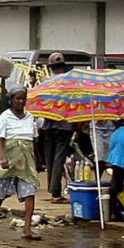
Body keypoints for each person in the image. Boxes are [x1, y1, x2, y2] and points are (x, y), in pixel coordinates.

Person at [0, 86, 42, 240]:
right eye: (17, 98)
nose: (21, 101)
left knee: (30, 191)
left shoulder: (30, 117)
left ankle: (27, 229)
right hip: (10, 156)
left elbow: (34, 140)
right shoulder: (5, 116)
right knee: (1, 191)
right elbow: (0, 139)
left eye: (23, 98)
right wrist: (3, 158)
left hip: (27, 157)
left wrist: (38, 159)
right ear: (11, 100)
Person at [42, 52, 73, 204]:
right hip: (64, 124)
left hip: (48, 124)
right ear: (63, 66)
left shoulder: (44, 82)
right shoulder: (69, 83)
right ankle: (55, 192)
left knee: (50, 159)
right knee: (59, 158)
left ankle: (52, 189)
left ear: (50, 67)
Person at [106, 122, 124, 221]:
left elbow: (111, 146)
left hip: (117, 147)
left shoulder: (119, 130)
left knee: (116, 182)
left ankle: (111, 212)